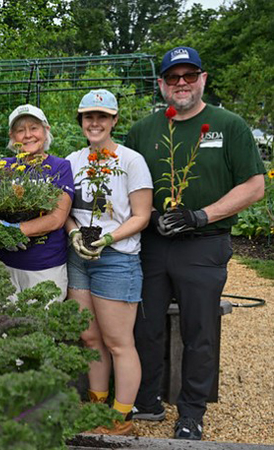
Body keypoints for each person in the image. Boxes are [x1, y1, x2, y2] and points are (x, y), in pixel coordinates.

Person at [127, 47, 265, 440]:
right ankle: (147, 398)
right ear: (162, 85)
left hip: (203, 244)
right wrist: (150, 216)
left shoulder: (228, 124)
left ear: (203, 78)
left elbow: (255, 186)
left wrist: (201, 215)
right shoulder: (144, 130)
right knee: (146, 324)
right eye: (173, 77)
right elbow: (127, 183)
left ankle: (191, 412)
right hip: (152, 244)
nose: (182, 83)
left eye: (189, 76)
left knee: (199, 330)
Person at [64, 89, 153, 434]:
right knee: (90, 338)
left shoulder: (131, 161)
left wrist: (108, 239)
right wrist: (74, 233)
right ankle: (98, 409)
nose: (95, 122)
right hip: (79, 257)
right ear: (81, 122)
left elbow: (141, 216)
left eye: (102, 116)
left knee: (118, 342)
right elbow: (67, 212)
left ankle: (120, 420)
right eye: (89, 116)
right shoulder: (72, 161)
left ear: (114, 120)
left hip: (116, 258)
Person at [0, 105, 74, 302]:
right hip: (5, 266)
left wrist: (15, 229)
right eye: (20, 130)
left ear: (46, 130)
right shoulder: (4, 167)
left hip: (45, 268)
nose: (28, 135)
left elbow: (56, 218)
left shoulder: (60, 167)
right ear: (12, 136)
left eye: (34, 128)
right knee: (4, 329)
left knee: (41, 329)